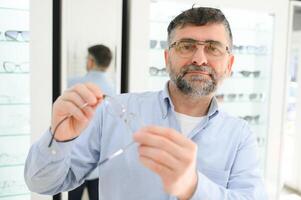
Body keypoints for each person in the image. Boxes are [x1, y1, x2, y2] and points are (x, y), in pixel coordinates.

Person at [25, 7, 267, 200]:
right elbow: (41, 183)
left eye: (213, 48)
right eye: (186, 46)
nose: (199, 58)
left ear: (230, 63)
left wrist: (194, 188)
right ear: (166, 58)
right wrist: (59, 139)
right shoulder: (112, 113)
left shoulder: (240, 137)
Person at [67, 44, 114, 200]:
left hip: (73, 162)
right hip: (101, 163)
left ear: (91, 61)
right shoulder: (115, 92)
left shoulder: (71, 85)